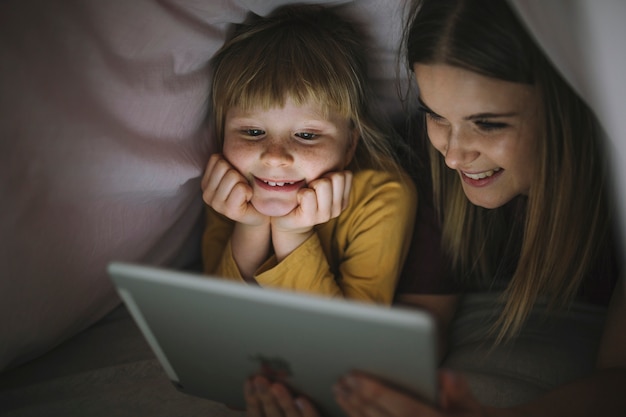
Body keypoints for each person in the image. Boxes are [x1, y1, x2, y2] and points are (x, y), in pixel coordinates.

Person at [243, 1, 626, 416]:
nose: (454, 155)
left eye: (489, 123)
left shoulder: (613, 192)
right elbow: (425, 324)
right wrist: (339, 392)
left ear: (568, 104)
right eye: (435, 115)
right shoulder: (425, 167)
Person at [201, 5, 417, 305]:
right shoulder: (230, 184)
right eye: (252, 132)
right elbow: (214, 314)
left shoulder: (383, 196)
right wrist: (250, 227)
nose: (274, 158)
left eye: (306, 135)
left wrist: (294, 236)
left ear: (350, 144)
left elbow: (348, 339)